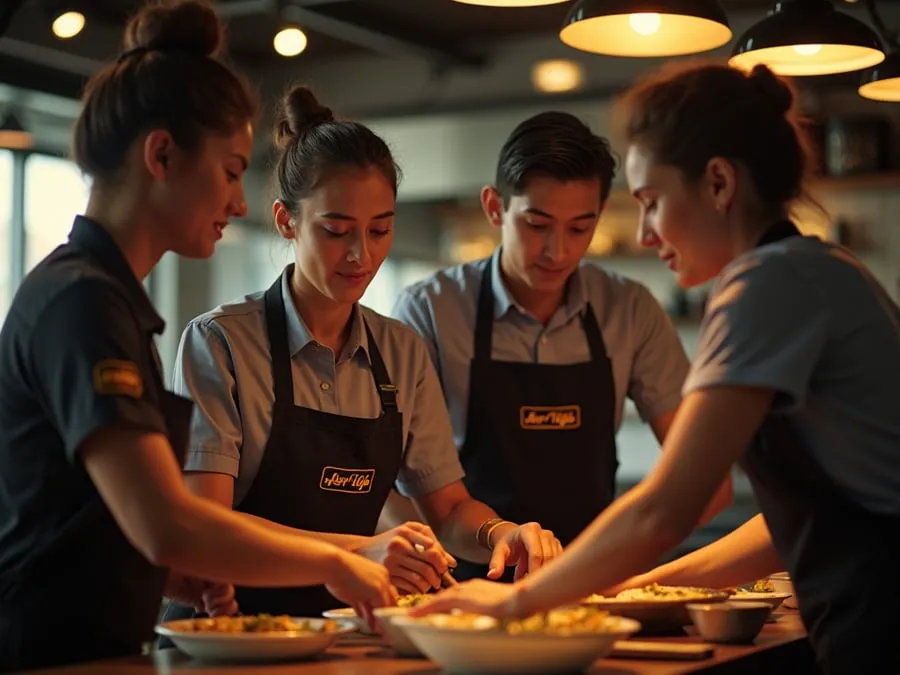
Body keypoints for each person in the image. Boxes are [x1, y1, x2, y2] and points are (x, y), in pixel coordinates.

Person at [410, 62, 900, 675]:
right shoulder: (819, 269)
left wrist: (515, 603)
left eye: (651, 202)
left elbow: (665, 506)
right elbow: (784, 526)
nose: (643, 235)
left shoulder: (769, 284)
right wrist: (623, 592)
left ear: (718, 183)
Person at [0, 3, 396, 672]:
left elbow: (100, 517)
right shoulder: (84, 300)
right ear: (161, 155)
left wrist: (160, 572)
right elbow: (168, 523)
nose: (239, 203)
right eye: (233, 169)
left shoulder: (109, 296)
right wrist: (344, 555)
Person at [169, 85, 560, 620]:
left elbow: (448, 510)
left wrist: (501, 532)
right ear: (287, 221)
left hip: (343, 634)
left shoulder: (400, 350)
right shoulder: (222, 342)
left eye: (381, 229)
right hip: (225, 632)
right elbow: (205, 525)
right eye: (336, 231)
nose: (362, 254)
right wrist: (357, 550)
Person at [389, 111, 732, 582]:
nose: (558, 251)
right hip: (464, 586)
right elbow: (397, 483)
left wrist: (626, 561)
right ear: (495, 208)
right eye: (537, 224)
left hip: (593, 585)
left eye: (579, 228)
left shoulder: (629, 310)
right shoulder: (430, 310)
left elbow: (706, 481)